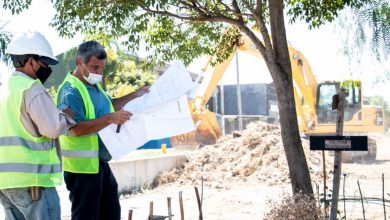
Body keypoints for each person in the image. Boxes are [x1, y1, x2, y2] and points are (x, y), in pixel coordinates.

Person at [57, 40, 149, 220]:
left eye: (101, 68)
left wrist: (136, 94)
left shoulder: (94, 86)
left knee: (111, 214)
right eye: (94, 67)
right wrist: (110, 118)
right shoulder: (71, 91)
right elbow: (75, 129)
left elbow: (110, 105)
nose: (99, 72)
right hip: (82, 170)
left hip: (100, 164)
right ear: (79, 62)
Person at [0, 31, 75, 220]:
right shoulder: (31, 88)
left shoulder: (5, 89)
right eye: (44, 63)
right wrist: (64, 117)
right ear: (31, 61)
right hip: (33, 183)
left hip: (6, 183)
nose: (47, 68)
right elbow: (51, 129)